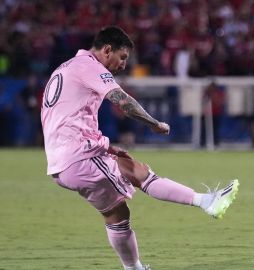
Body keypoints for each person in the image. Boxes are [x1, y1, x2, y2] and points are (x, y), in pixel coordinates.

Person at [40, 26, 239, 270]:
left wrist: (106, 147)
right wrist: (155, 124)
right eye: (122, 57)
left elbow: (63, 120)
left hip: (61, 162)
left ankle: (134, 268)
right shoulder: (89, 66)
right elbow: (123, 101)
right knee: (139, 173)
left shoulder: (64, 68)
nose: (123, 65)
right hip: (80, 156)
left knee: (118, 214)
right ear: (107, 50)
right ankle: (207, 202)